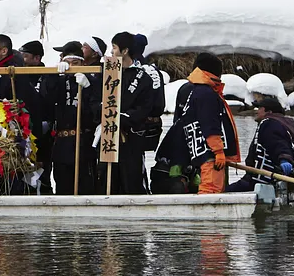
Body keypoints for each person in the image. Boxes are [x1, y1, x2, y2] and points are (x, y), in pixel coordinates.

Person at [154, 53, 240, 194]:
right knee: (211, 189)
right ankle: (207, 213)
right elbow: (210, 125)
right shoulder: (206, 94)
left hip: (199, 153)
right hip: (209, 154)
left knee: (208, 186)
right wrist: (218, 151)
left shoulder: (195, 91)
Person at [111, 31, 164, 194]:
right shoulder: (110, 71)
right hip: (109, 135)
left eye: (113, 48)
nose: (111, 52)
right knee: (109, 179)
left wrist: (125, 117)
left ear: (125, 50)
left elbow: (148, 106)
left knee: (132, 178)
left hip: (132, 135)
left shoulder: (144, 75)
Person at [49, 42, 98, 194]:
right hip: (62, 142)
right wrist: (57, 76)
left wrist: (88, 88)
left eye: (75, 63)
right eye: (67, 63)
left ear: (83, 63)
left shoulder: (92, 80)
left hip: (82, 141)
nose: (71, 66)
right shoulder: (58, 79)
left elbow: (95, 112)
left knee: (86, 186)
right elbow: (46, 98)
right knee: (62, 185)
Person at [229, 97, 294, 192]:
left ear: (269, 112)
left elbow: (278, 143)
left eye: (259, 108)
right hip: (264, 179)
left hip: (260, 180)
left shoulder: (269, 123)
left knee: (224, 192)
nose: (256, 111)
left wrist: (284, 159)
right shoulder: (279, 124)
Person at [15, 40, 56, 192]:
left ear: (37, 58)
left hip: (44, 133)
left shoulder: (49, 76)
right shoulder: (19, 76)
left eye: (25, 56)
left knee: (43, 172)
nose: (21, 60)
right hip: (22, 132)